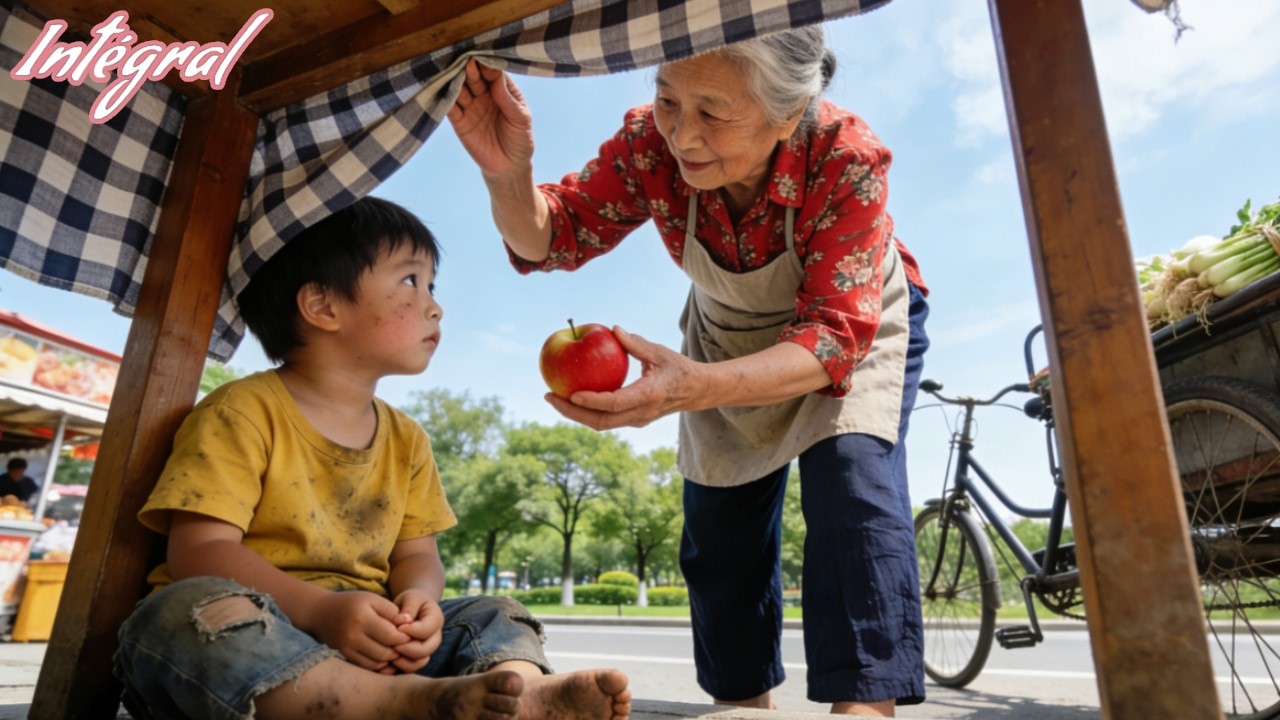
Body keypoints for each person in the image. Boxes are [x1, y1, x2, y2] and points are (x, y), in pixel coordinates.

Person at [449, 25, 929, 717]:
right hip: (726, 332)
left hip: (850, 326)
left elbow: (831, 336)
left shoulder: (843, 155)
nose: (683, 135)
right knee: (719, 530)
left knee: (852, 494)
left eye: (713, 112)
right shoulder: (650, 143)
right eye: (669, 99)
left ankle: (864, 709)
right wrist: (506, 171)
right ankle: (741, 705)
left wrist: (694, 387)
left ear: (787, 115)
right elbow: (552, 235)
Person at [111, 196, 631, 720]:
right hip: (264, 642)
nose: (435, 305)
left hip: (374, 640)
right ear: (323, 306)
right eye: (410, 281)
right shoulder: (243, 411)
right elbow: (198, 552)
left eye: (433, 286)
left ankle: (517, 692)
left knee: (494, 611)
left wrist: (417, 606)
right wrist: (320, 610)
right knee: (178, 614)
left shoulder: (408, 439)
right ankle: (404, 706)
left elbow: (417, 556)